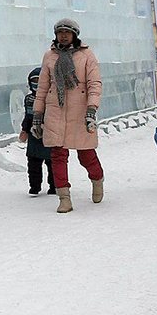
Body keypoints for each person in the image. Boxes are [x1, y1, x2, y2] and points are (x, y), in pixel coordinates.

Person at [31, 18, 104, 213]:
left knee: (86, 154)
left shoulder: (86, 55)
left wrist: (91, 108)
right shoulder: (49, 56)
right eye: (60, 32)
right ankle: (64, 198)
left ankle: (97, 180)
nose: (63, 35)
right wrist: (37, 113)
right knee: (57, 155)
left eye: (67, 32)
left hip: (80, 110)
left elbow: (94, 84)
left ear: (74, 35)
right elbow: (43, 87)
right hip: (55, 109)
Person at [17, 67, 54, 195]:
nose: (37, 84)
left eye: (40, 81)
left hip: (50, 134)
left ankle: (54, 186)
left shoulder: (52, 98)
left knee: (53, 163)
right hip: (34, 135)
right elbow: (28, 116)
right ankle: (34, 186)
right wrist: (24, 130)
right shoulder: (29, 99)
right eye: (34, 81)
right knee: (33, 163)